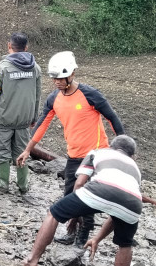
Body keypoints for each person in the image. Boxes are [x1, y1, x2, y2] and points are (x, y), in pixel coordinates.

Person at [16, 51, 125, 246]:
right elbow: (41, 125)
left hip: (96, 154)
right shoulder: (53, 99)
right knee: (70, 196)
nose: (56, 82)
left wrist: (123, 149)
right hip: (74, 155)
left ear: (72, 74)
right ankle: (72, 232)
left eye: (60, 78)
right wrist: (27, 149)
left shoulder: (90, 94)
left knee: (87, 196)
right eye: (54, 78)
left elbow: (112, 118)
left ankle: (82, 236)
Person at [23, 136, 144, 266]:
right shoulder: (135, 169)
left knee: (54, 213)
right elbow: (117, 212)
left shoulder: (97, 153)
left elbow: (79, 183)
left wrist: (75, 212)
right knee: (125, 244)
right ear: (133, 156)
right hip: (133, 204)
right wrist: (98, 238)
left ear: (111, 147)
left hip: (99, 191)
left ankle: (32, 261)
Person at [0, 33, 41, 193]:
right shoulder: (35, 68)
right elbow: (37, 95)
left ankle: (3, 182)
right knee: (22, 150)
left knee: (1, 150)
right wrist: (34, 116)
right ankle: (23, 185)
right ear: (26, 48)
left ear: (9, 46)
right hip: (24, 120)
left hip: (3, 119)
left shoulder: (1, 68)